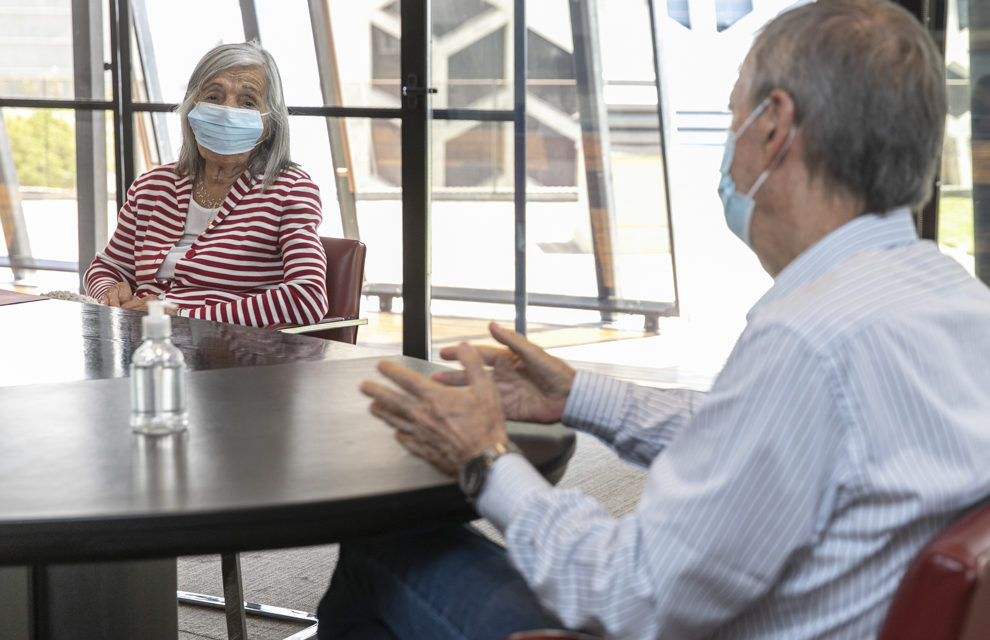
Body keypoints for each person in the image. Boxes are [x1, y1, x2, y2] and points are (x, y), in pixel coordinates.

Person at [318, 0, 990, 638]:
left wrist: (485, 460)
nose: (729, 146)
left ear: (773, 126)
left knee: (383, 552)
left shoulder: (809, 342)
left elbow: (624, 593)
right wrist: (578, 394)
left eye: (733, 118)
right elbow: (755, 445)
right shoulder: (954, 298)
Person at [84, 42, 329, 327]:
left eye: (248, 102)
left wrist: (183, 316)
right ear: (191, 108)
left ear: (269, 122)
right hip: (146, 344)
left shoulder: (290, 190)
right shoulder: (153, 186)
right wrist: (112, 294)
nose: (227, 111)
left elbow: (307, 298)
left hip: (233, 353)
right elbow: (106, 268)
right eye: (213, 96)